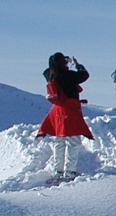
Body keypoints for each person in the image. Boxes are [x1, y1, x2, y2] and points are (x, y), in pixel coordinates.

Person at [37, 53, 93, 182]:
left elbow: (47, 70)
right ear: (63, 63)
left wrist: (59, 63)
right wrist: (76, 64)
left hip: (57, 111)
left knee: (59, 141)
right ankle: (70, 172)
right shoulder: (67, 75)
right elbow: (84, 75)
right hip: (70, 110)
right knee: (73, 141)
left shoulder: (50, 75)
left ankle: (58, 171)